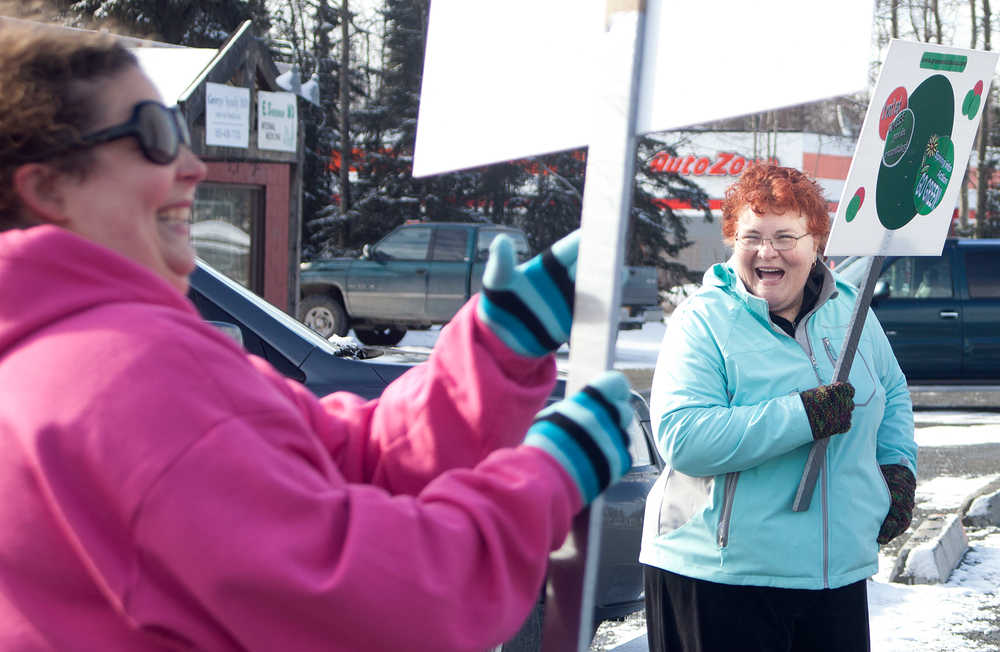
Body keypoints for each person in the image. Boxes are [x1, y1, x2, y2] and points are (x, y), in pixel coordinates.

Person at [0, 23, 633, 651]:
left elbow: (342, 462)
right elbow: (382, 604)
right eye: (156, 135)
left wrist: (493, 357)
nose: (193, 166)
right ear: (49, 187)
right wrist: (545, 481)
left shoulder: (67, 359)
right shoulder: (119, 375)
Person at [639, 163, 918, 652]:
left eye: (786, 236)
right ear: (732, 242)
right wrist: (803, 416)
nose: (767, 252)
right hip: (720, 577)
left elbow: (892, 393)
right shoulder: (703, 321)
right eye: (752, 236)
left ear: (816, 245)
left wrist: (897, 468)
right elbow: (684, 438)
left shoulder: (852, 315)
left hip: (832, 575)